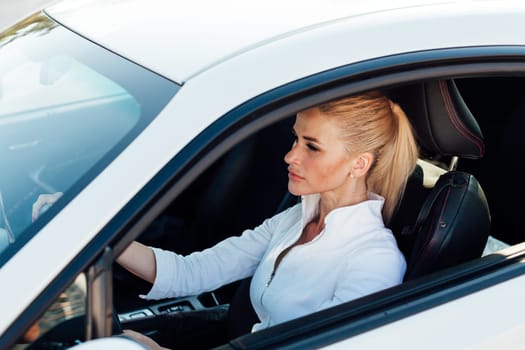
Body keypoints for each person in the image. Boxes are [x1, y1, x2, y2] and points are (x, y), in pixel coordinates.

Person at [33, 90, 419, 349]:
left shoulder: (373, 262)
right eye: (295, 139)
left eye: (311, 146)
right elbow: (192, 272)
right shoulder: (294, 221)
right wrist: (100, 233)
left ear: (359, 164)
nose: (290, 156)